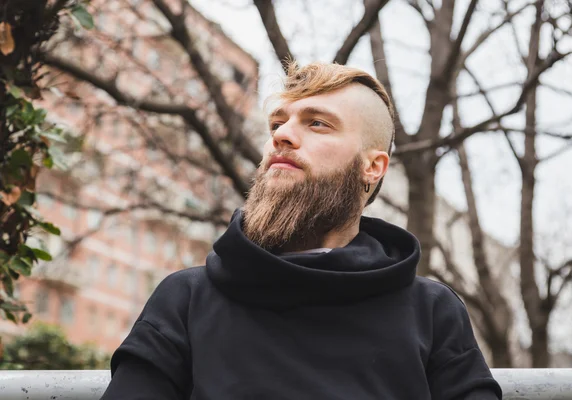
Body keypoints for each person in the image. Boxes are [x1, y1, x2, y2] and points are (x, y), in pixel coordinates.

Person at [100, 62, 502, 399]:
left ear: (373, 166)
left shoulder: (432, 311)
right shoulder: (186, 299)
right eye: (278, 122)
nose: (281, 134)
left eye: (318, 124)